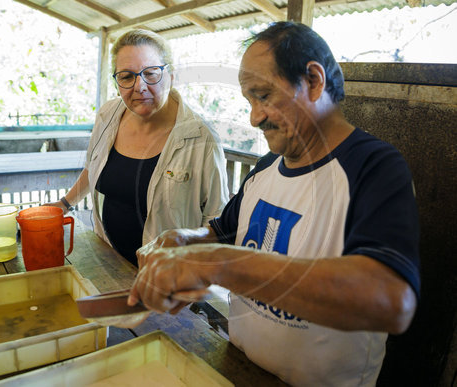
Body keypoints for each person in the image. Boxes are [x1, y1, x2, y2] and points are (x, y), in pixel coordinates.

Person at [129, 22, 420, 386]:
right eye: (249, 101)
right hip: (236, 369)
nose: (254, 117)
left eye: (263, 95)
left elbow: (392, 303)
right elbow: (220, 233)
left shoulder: (374, 167)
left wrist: (219, 263)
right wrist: (184, 242)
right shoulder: (268, 166)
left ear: (313, 81)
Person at [48, 29, 229, 266]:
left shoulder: (201, 138)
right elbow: (93, 167)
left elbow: (217, 216)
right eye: (126, 76)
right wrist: (64, 204)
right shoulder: (108, 115)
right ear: (117, 81)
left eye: (151, 74)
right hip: (108, 260)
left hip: (167, 278)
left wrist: (197, 271)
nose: (139, 86)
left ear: (171, 75)